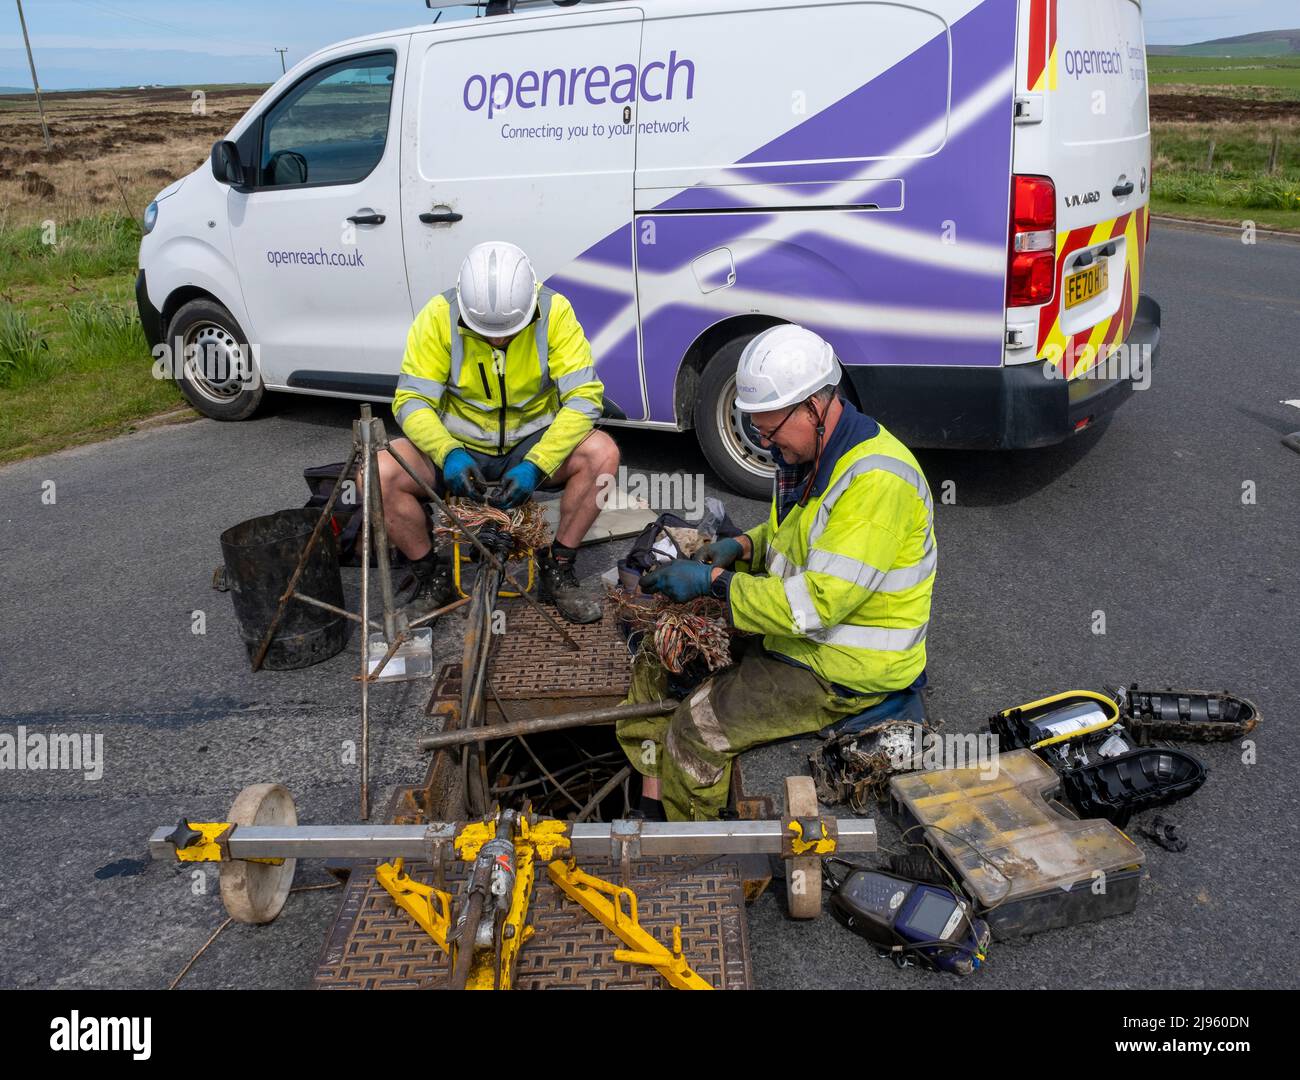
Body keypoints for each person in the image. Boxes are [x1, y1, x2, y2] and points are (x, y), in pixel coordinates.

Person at [617, 324, 937, 820]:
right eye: (759, 430)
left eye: (770, 429)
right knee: (662, 650)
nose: (764, 442)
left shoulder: (877, 484)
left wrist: (714, 584)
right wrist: (742, 545)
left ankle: (683, 846)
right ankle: (651, 800)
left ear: (814, 406)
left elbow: (817, 604)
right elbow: (797, 535)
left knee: (698, 728)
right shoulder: (814, 456)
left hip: (840, 668)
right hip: (796, 635)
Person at [377, 241, 619, 624]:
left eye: (509, 331)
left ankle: (557, 567)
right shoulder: (438, 315)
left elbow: (584, 399)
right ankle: (431, 576)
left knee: (603, 453)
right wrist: (447, 453)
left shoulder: (555, 312)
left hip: (531, 444)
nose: (498, 340)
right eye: (486, 332)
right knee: (379, 472)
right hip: (458, 447)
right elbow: (411, 401)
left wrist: (537, 465)